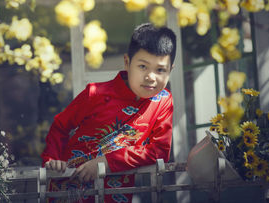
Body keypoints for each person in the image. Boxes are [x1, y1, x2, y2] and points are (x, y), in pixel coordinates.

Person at [41, 22, 177, 202]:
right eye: (143, 66)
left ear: (170, 70)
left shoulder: (163, 101)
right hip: (68, 185)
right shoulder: (95, 93)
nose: (151, 77)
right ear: (127, 62)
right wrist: (53, 159)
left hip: (115, 194)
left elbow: (159, 151)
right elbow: (60, 126)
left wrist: (106, 162)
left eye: (160, 70)